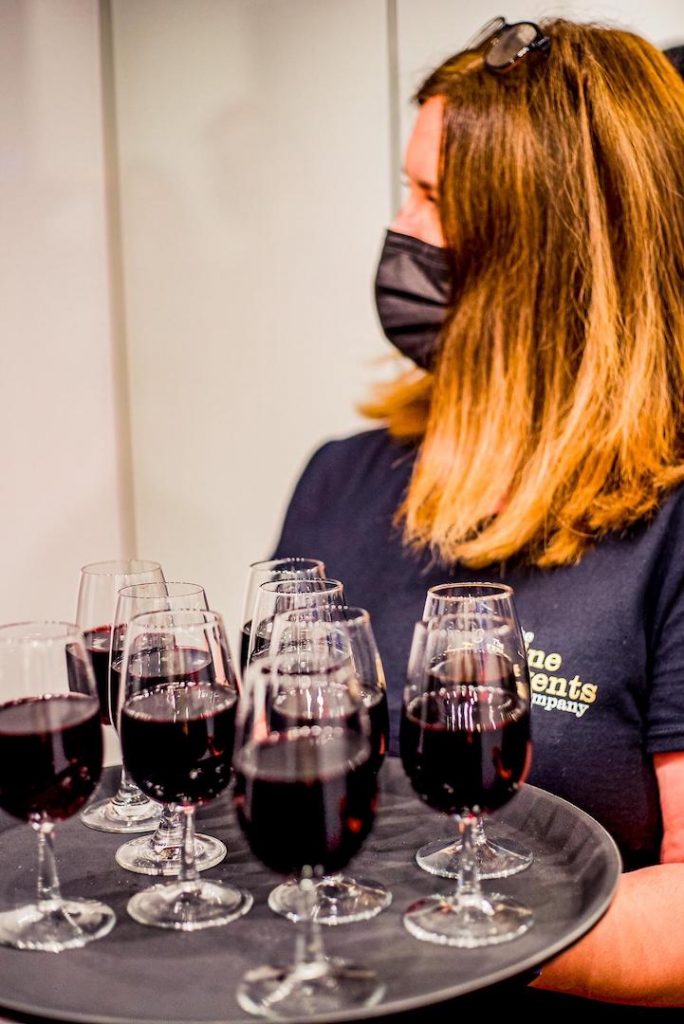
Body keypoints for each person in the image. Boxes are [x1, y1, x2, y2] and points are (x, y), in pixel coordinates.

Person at [273, 16, 684, 1011]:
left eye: (430, 199)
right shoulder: (339, 481)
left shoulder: (668, 534)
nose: (399, 231)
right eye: (404, 188)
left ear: (544, 260)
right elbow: (283, 774)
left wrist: (450, 938)